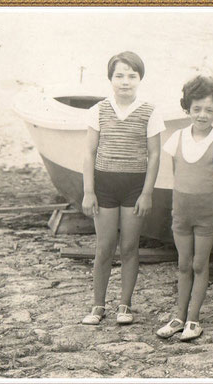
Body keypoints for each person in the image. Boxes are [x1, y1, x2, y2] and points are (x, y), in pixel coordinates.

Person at [81, 51, 165, 326]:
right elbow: (89, 152)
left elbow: (154, 155)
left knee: (129, 247)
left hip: (134, 187)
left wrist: (147, 192)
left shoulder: (150, 111)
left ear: (140, 78)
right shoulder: (99, 110)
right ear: (110, 79)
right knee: (104, 247)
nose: (125, 81)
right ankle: (98, 305)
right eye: (119, 75)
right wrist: (88, 191)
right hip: (104, 185)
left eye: (132, 75)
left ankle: (125, 305)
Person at [156, 76, 213, 341]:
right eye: (197, 109)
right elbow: (176, 172)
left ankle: (194, 319)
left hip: (205, 217)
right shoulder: (177, 137)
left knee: (200, 265)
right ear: (187, 109)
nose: (202, 115)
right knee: (182, 264)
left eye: (209, 110)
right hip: (180, 213)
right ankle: (178, 317)